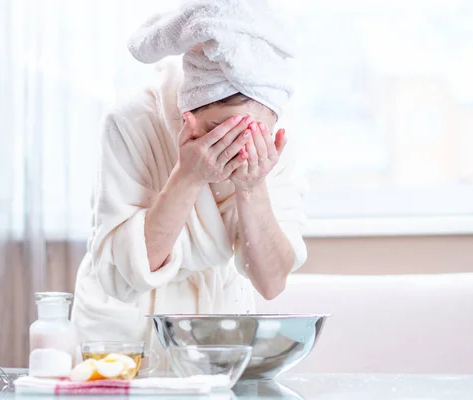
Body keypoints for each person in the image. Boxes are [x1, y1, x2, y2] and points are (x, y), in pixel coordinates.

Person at [71, 0, 308, 370]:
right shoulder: (131, 123)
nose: (237, 150)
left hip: (217, 331)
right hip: (125, 330)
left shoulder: (274, 150)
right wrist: (188, 175)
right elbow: (121, 275)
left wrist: (252, 187)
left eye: (253, 135)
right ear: (189, 114)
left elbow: (272, 282)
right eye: (219, 133)